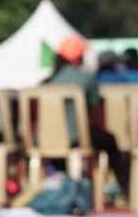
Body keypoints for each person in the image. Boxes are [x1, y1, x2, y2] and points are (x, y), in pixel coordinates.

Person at [45, 35, 130, 196]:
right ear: (79, 57)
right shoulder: (86, 78)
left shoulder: (48, 81)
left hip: (47, 139)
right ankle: (127, 189)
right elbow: (94, 107)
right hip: (77, 136)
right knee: (109, 140)